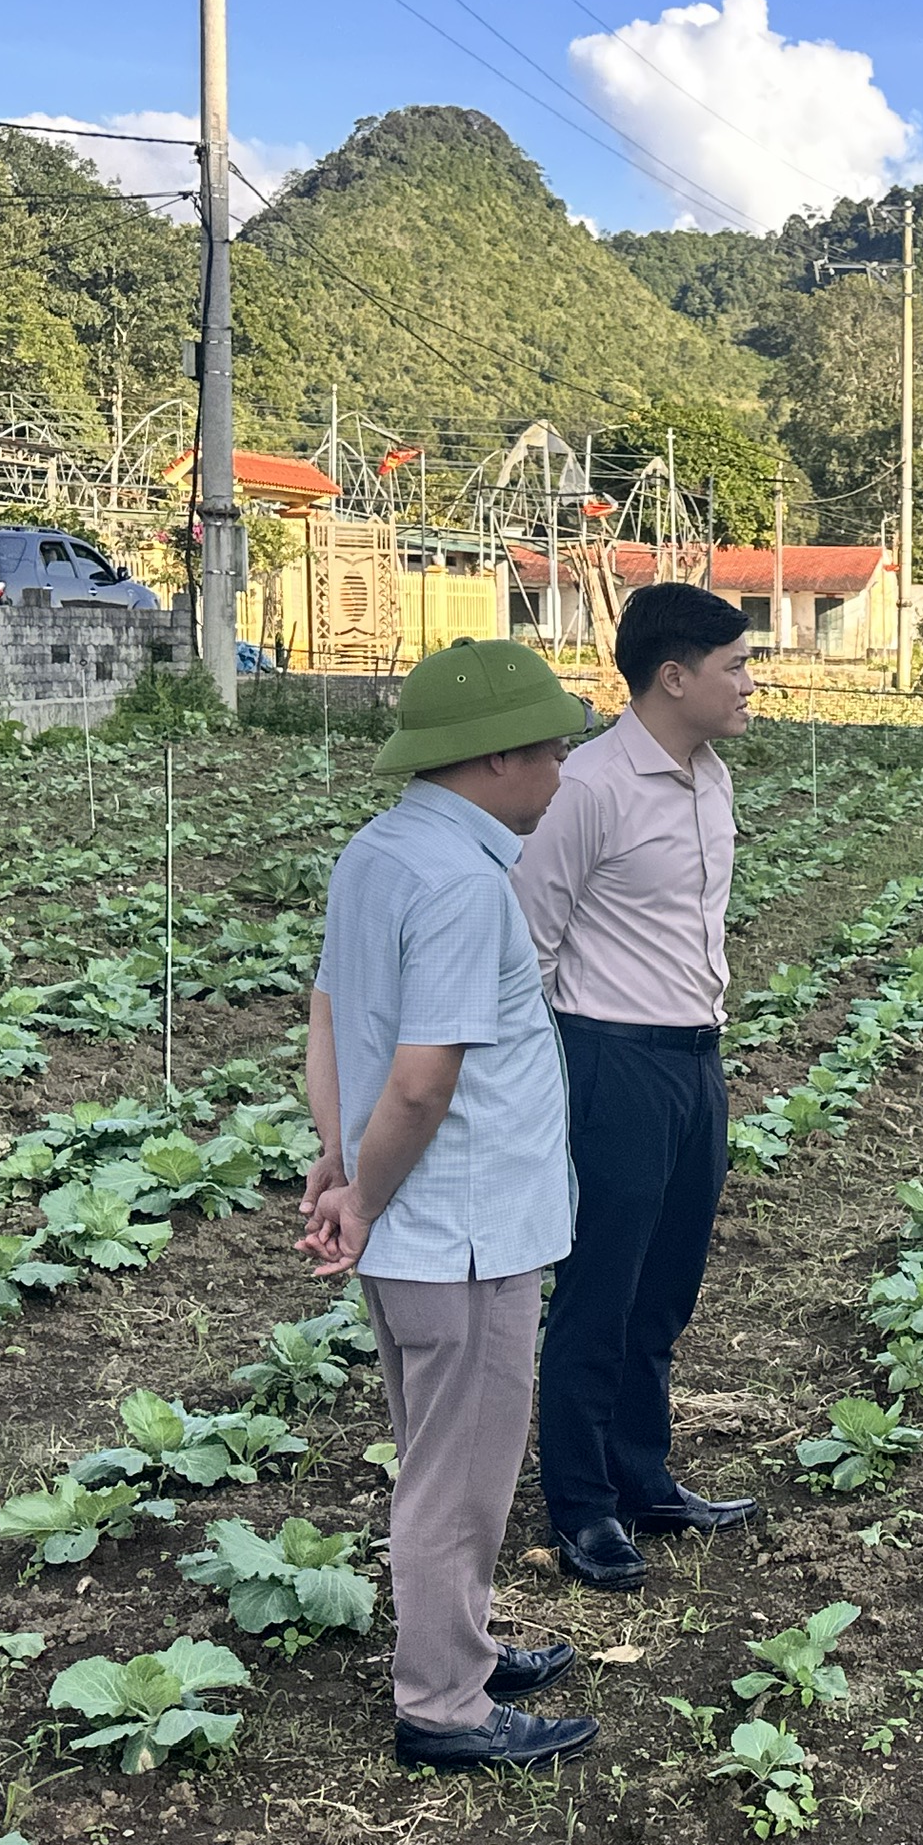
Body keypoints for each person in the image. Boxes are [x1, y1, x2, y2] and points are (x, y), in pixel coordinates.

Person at [299, 639, 596, 1772]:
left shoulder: (377, 852)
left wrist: (337, 1163)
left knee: (440, 1448)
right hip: (463, 1232)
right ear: (497, 757)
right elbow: (425, 1081)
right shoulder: (466, 885)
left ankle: (459, 1646)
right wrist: (364, 1196)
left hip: (413, 1227)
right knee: (457, 1477)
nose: (563, 773)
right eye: (553, 751)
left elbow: (331, 1014)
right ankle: (444, 1706)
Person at [515, 582, 759, 1591]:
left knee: (664, 1288)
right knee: (601, 1289)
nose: (750, 685)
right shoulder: (589, 788)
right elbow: (530, 943)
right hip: (610, 1058)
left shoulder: (711, 780)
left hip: (696, 1059)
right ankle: (582, 1506)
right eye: (735, 667)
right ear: (673, 677)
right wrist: (547, 1082)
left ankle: (643, 1478)